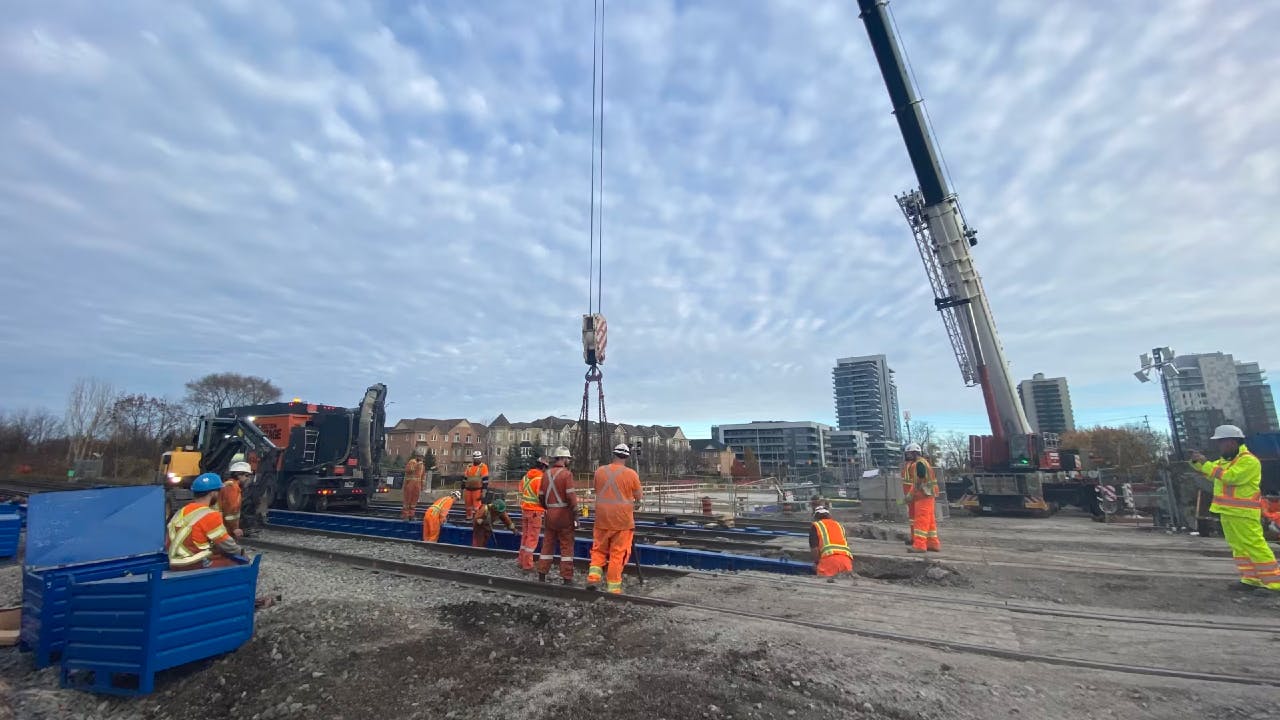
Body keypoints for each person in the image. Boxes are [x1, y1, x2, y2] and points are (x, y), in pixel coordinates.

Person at [1190, 425, 1280, 591]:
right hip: (1228, 512)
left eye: (1220, 442)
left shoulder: (1248, 461)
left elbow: (1231, 478)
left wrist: (1206, 464)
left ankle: (1274, 583)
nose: (1219, 446)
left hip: (1244, 513)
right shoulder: (1226, 461)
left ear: (1231, 442)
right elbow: (1210, 473)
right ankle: (1250, 579)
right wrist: (1196, 462)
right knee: (1239, 547)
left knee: (1254, 545)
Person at [587, 443, 643, 594]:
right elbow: (638, 497)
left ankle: (593, 578)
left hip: (602, 518)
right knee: (617, 554)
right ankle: (613, 588)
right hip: (622, 521)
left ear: (614, 454)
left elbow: (597, 489)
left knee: (598, 549)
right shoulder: (631, 474)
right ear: (627, 456)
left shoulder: (599, 471)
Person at [165, 473, 244, 571]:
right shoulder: (210, 515)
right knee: (236, 564)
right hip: (193, 563)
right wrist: (241, 552)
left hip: (173, 562)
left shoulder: (181, 511)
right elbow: (227, 545)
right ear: (213, 493)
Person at [536, 447, 578, 585]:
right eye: (568, 459)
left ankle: (542, 574)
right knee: (566, 546)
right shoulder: (567, 474)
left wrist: (548, 508)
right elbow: (571, 497)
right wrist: (576, 514)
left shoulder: (546, 474)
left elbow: (541, 497)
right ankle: (566, 578)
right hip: (564, 516)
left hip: (550, 515)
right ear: (564, 459)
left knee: (547, 544)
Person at [901, 442, 941, 553]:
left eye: (909, 454)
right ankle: (933, 543)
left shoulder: (919, 464)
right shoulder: (922, 463)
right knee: (930, 520)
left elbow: (919, 480)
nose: (907, 456)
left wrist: (911, 494)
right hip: (927, 495)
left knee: (921, 520)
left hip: (923, 495)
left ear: (914, 453)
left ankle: (919, 545)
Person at [517, 456, 549, 572]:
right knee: (532, 538)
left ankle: (521, 560)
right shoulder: (540, 479)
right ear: (544, 467)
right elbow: (542, 497)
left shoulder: (526, 477)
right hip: (535, 512)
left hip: (525, 510)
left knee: (525, 536)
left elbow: (521, 491)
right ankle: (528, 564)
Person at [809, 507, 854, 579]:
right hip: (846, 562)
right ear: (829, 516)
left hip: (829, 563)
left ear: (815, 517)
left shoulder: (816, 526)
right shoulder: (839, 525)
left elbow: (814, 549)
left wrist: (816, 563)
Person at [220, 461, 251, 538]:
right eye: (246, 475)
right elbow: (230, 511)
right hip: (225, 526)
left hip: (224, 525)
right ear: (239, 475)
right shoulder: (232, 487)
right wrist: (234, 528)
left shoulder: (229, 485)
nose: (248, 478)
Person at [462, 451, 489, 521]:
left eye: (478, 458)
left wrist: (484, 490)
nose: (477, 460)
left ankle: (478, 518)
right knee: (468, 505)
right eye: (475, 458)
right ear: (473, 458)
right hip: (468, 489)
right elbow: (465, 477)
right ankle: (469, 517)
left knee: (477, 506)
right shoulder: (469, 466)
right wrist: (462, 487)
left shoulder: (483, 467)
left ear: (480, 458)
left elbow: (485, 479)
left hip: (477, 489)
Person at [402, 452, 425, 520]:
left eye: (422, 457)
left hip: (417, 485)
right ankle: (405, 515)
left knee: (414, 502)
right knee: (407, 500)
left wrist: (422, 486)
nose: (421, 458)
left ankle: (411, 515)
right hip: (409, 484)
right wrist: (417, 465)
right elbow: (408, 470)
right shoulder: (412, 462)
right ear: (417, 456)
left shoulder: (422, 465)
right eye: (420, 457)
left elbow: (423, 477)